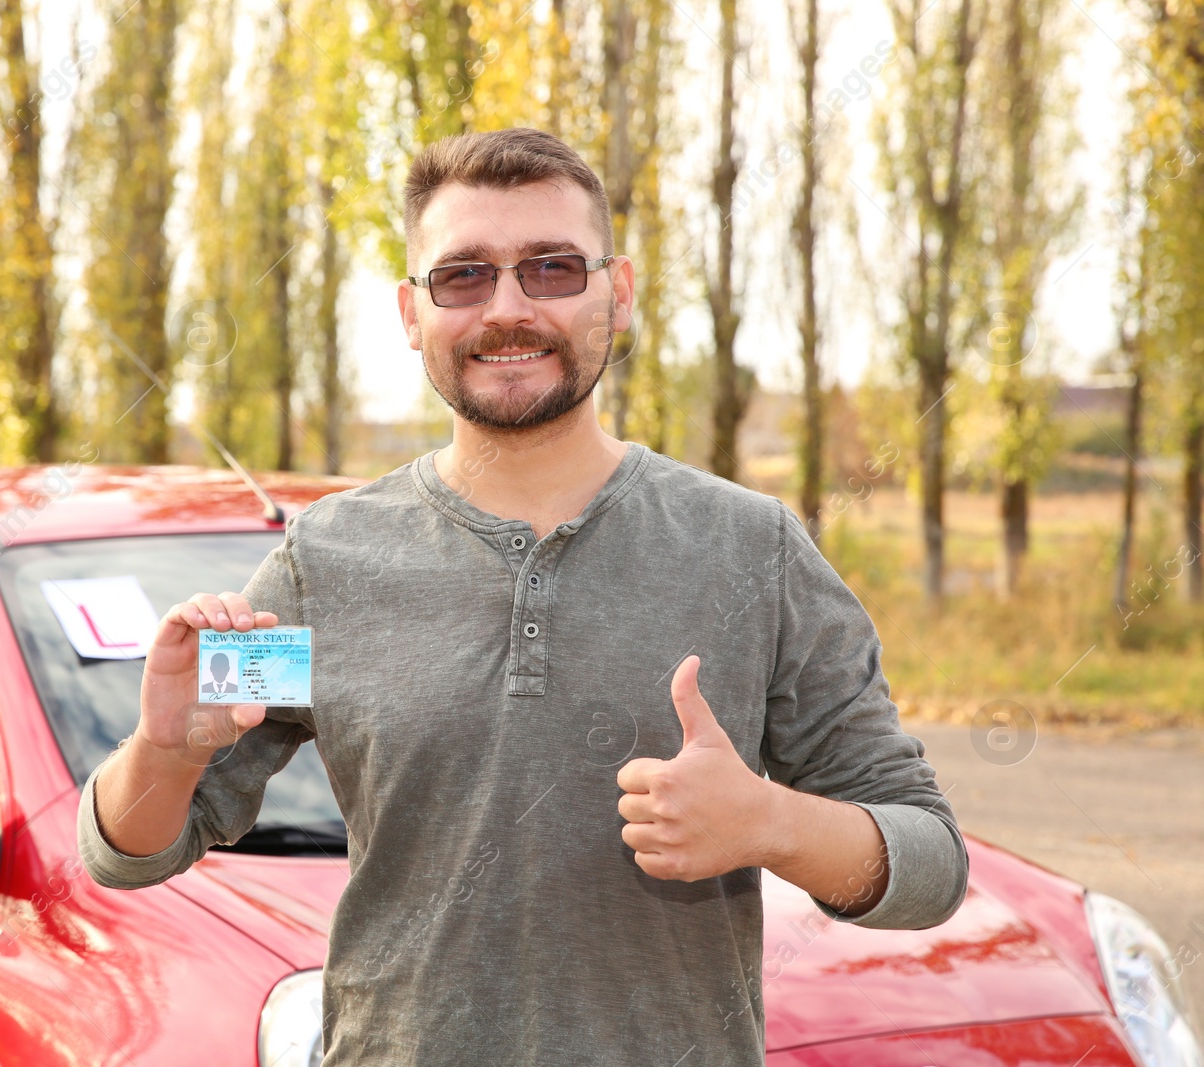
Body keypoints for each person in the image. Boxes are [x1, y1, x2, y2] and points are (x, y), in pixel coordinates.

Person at [78, 126, 967, 1066]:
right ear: (411, 312)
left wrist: (772, 823)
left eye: (551, 269)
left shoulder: (752, 549)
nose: (508, 308)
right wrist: (166, 753)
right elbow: (128, 851)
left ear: (616, 294)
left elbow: (931, 863)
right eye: (463, 276)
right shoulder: (326, 562)